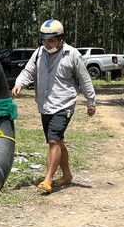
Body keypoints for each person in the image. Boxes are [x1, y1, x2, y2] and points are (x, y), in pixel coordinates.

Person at [11, 19, 96, 194]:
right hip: (45, 105)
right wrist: (20, 83)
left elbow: (84, 79)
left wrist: (91, 101)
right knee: (58, 141)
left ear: (60, 39)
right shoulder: (39, 53)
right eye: (44, 40)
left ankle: (48, 179)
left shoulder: (72, 54)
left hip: (64, 104)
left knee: (53, 140)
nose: (47, 43)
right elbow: (29, 71)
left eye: (50, 40)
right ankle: (67, 175)